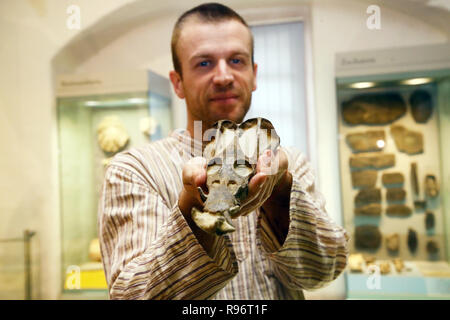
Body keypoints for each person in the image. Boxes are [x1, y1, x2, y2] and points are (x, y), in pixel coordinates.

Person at [98, 2, 349, 300]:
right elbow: (132, 296)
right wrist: (193, 214)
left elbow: (323, 271)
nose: (223, 76)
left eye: (237, 61)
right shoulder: (134, 170)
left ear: (254, 75)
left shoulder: (291, 164)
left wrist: (280, 193)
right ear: (177, 83)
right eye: (204, 63)